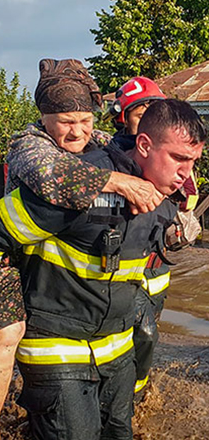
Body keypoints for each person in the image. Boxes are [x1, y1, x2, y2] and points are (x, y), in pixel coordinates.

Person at [0, 98, 206, 440]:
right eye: (179, 159)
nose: (186, 174)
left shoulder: (166, 192)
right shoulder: (78, 187)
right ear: (144, 145)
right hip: (56, 348)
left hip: (116, 349)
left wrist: (172, 240)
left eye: (193, 162)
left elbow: (141, 267)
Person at [107, 76, 201, 395]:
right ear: (124, 117)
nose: (147, 115)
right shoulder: (109, 156)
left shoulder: (174, 155)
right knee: (125, 331)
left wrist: (177, 206)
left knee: (146, 332)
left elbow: (189, 196)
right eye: (139, 111)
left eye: (152, 108)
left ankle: (137, 387)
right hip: (120, 262)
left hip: (155, 264)